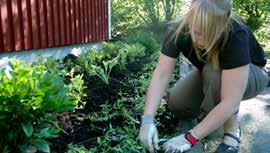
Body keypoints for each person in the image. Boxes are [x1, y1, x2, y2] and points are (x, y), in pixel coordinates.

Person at [139, 0, 269, 153]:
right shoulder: (177, 29)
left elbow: (230, 102)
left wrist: (190, 137)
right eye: (195, 31)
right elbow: (161, 74)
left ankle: (230, 132)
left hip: (252, 75)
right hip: (209, 71)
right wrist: (147, 121)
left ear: (223, 24)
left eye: (207, 34)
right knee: (177, 103)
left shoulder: (236, 33)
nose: (198, 40)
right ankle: (212, 117)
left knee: (214, 73)